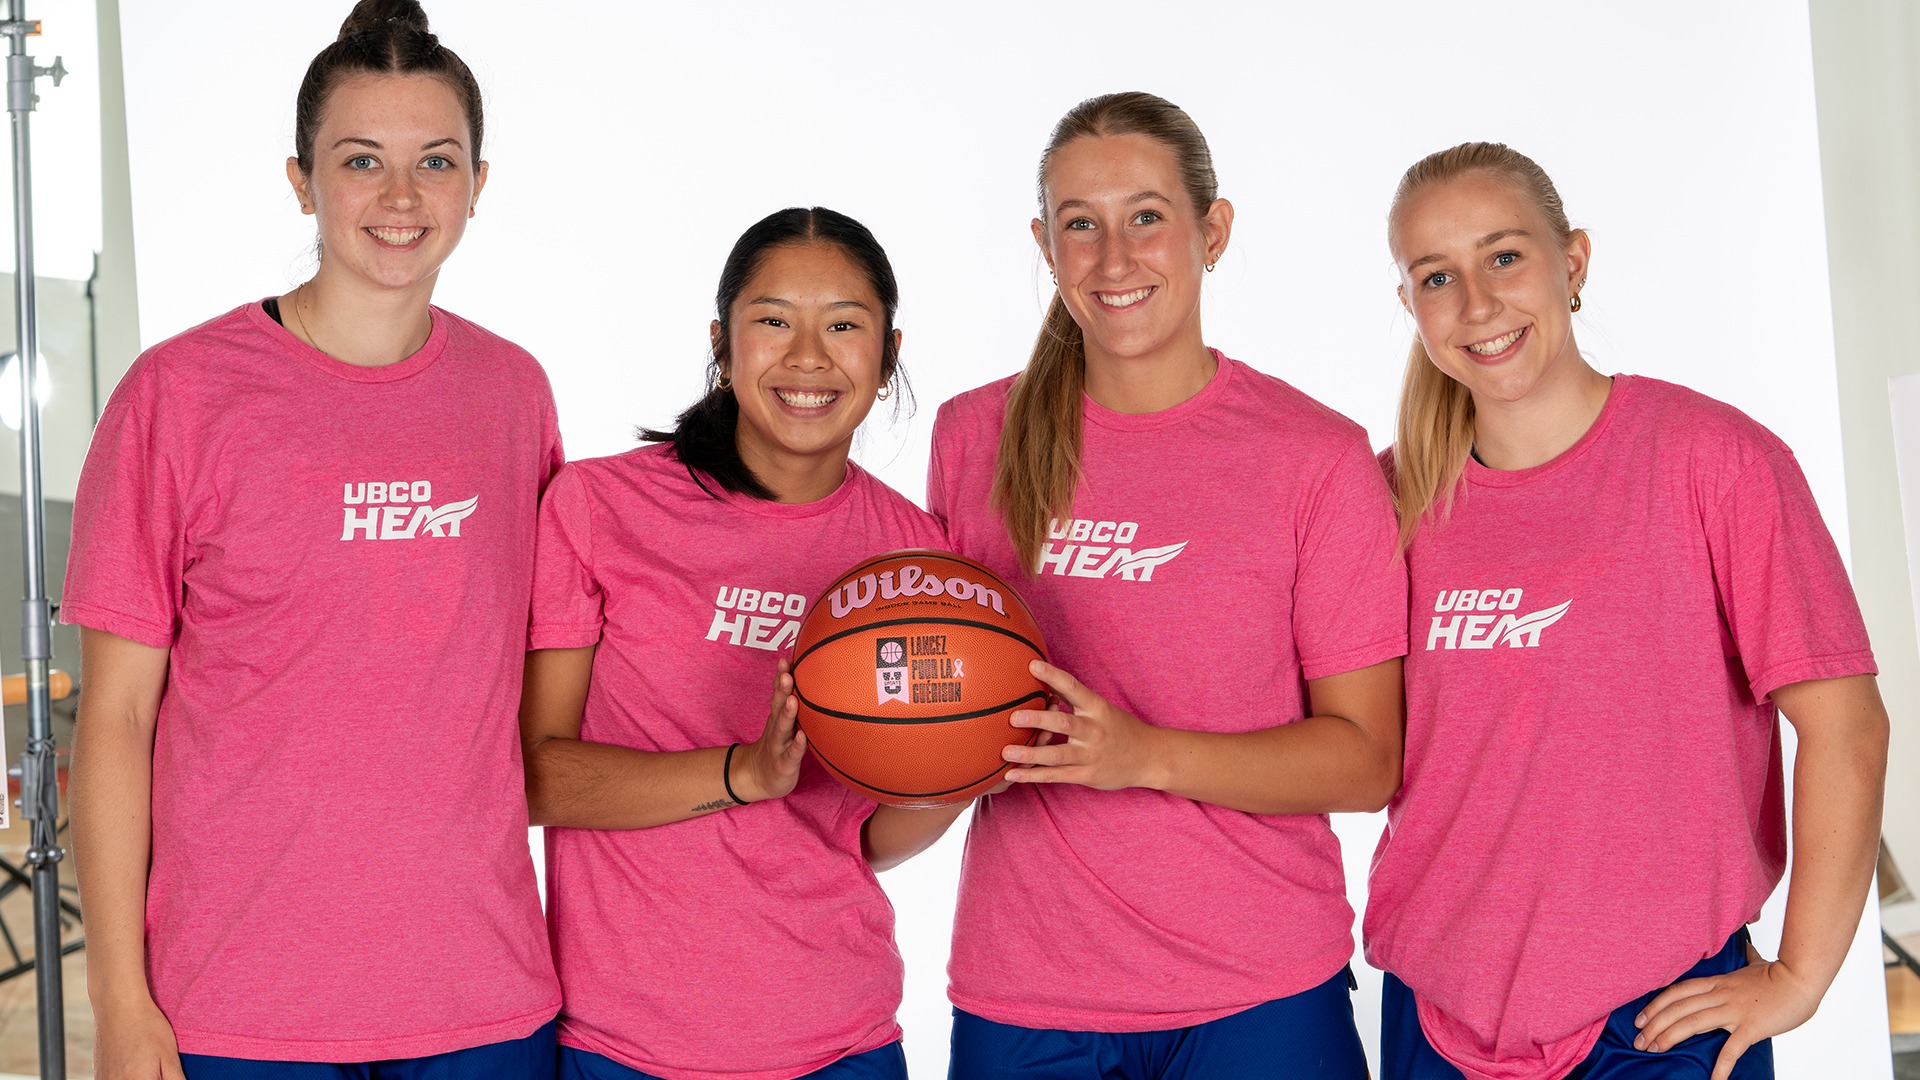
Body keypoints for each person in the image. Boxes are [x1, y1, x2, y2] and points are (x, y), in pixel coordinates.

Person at [66, 2, 562, 1076]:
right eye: (360, 161)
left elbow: (545, 675)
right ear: (300, 181)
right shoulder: (180, 396)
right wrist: (118, 994)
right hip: (236, 1001)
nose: (399, 197)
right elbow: (114, 714)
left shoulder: (513, 394)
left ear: (480, 184)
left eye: (436, 161)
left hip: (480, 996)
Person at [1364, 141, 1889, 1080]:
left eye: (1505, 256)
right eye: (1437, 276)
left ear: (1573, 262)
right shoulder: (1388, 504)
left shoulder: (1711, 462)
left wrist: (1802, 976)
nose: (1477, 304)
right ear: (1410, 306)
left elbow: (1846, 729)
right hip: (1441, 1006)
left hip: (1658, 1013)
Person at [920, 91, 1407, 1080]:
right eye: (1079, 225)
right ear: (1044, 245)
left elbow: (1366, 761)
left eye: (1146, 216)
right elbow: (946, 702)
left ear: (1212, 231)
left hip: (1260, 988)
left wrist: (1143, 754)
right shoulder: (973, 437)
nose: (1113, 258)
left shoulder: (1315, 457)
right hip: (1031, 990)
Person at [519, 206, 947, 1080]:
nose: (808, 358)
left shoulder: (918, 561)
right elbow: (535, 778)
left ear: (889, 353)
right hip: (625, 1046)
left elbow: (863, 839)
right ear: (722, 341)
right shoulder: (598, 508)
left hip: (841, 1038)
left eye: (843, 325)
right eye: (773, 321)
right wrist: (741, 774)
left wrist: (969, 764)